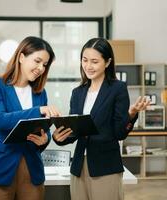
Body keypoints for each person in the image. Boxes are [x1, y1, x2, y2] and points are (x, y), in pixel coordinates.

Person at [52, 38, 150, 200]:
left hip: (105, 166)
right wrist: (59, 137)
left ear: (107, 62)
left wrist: (131, 114)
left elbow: (119, 133)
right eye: (84, 60)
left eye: (94, 61)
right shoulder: (77, 93)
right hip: (78, 166)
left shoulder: (117, 89)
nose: (88, 66)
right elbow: (75, 131)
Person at [0, 36, 61, 200]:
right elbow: (0, 120)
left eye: (44, 65)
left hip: (31, 169)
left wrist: (45, 139)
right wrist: (38, 110)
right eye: (37, 61)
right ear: (21, 57)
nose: (40, 68)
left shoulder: (40, 93)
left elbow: (43, 128)